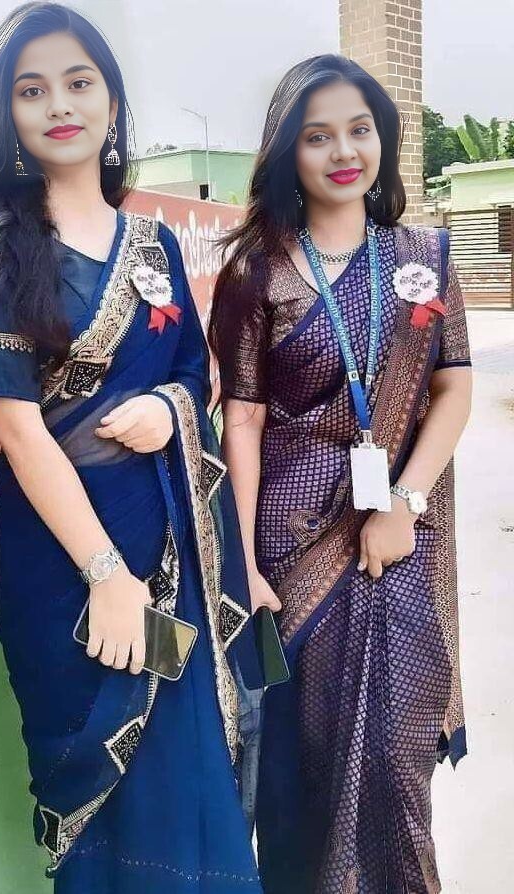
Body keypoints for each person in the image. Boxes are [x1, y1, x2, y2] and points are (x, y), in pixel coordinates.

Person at [0, 4, 262, 891]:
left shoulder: (154, 244)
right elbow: (16, 424)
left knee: (190, 789)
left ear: (112, 102)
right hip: (69, 565)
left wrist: (164, 405)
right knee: (105, 801)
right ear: (8, 111)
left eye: (78, 82)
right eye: (31, 89)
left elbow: (194, 372)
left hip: (175, 550)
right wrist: (108, 576)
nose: (59, 104)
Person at [211, 54, 472, 894]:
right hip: (293, 546)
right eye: (317, 136)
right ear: (289, 150)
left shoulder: (424, 256)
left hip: (399, 537)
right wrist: (245, 563)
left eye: (359, 130)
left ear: (383, 139)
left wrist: (404, 501)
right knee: (302, 767)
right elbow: (242, 420)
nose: (343, 151)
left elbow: (454, 389)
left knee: (396, 759)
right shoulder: (258, 271)